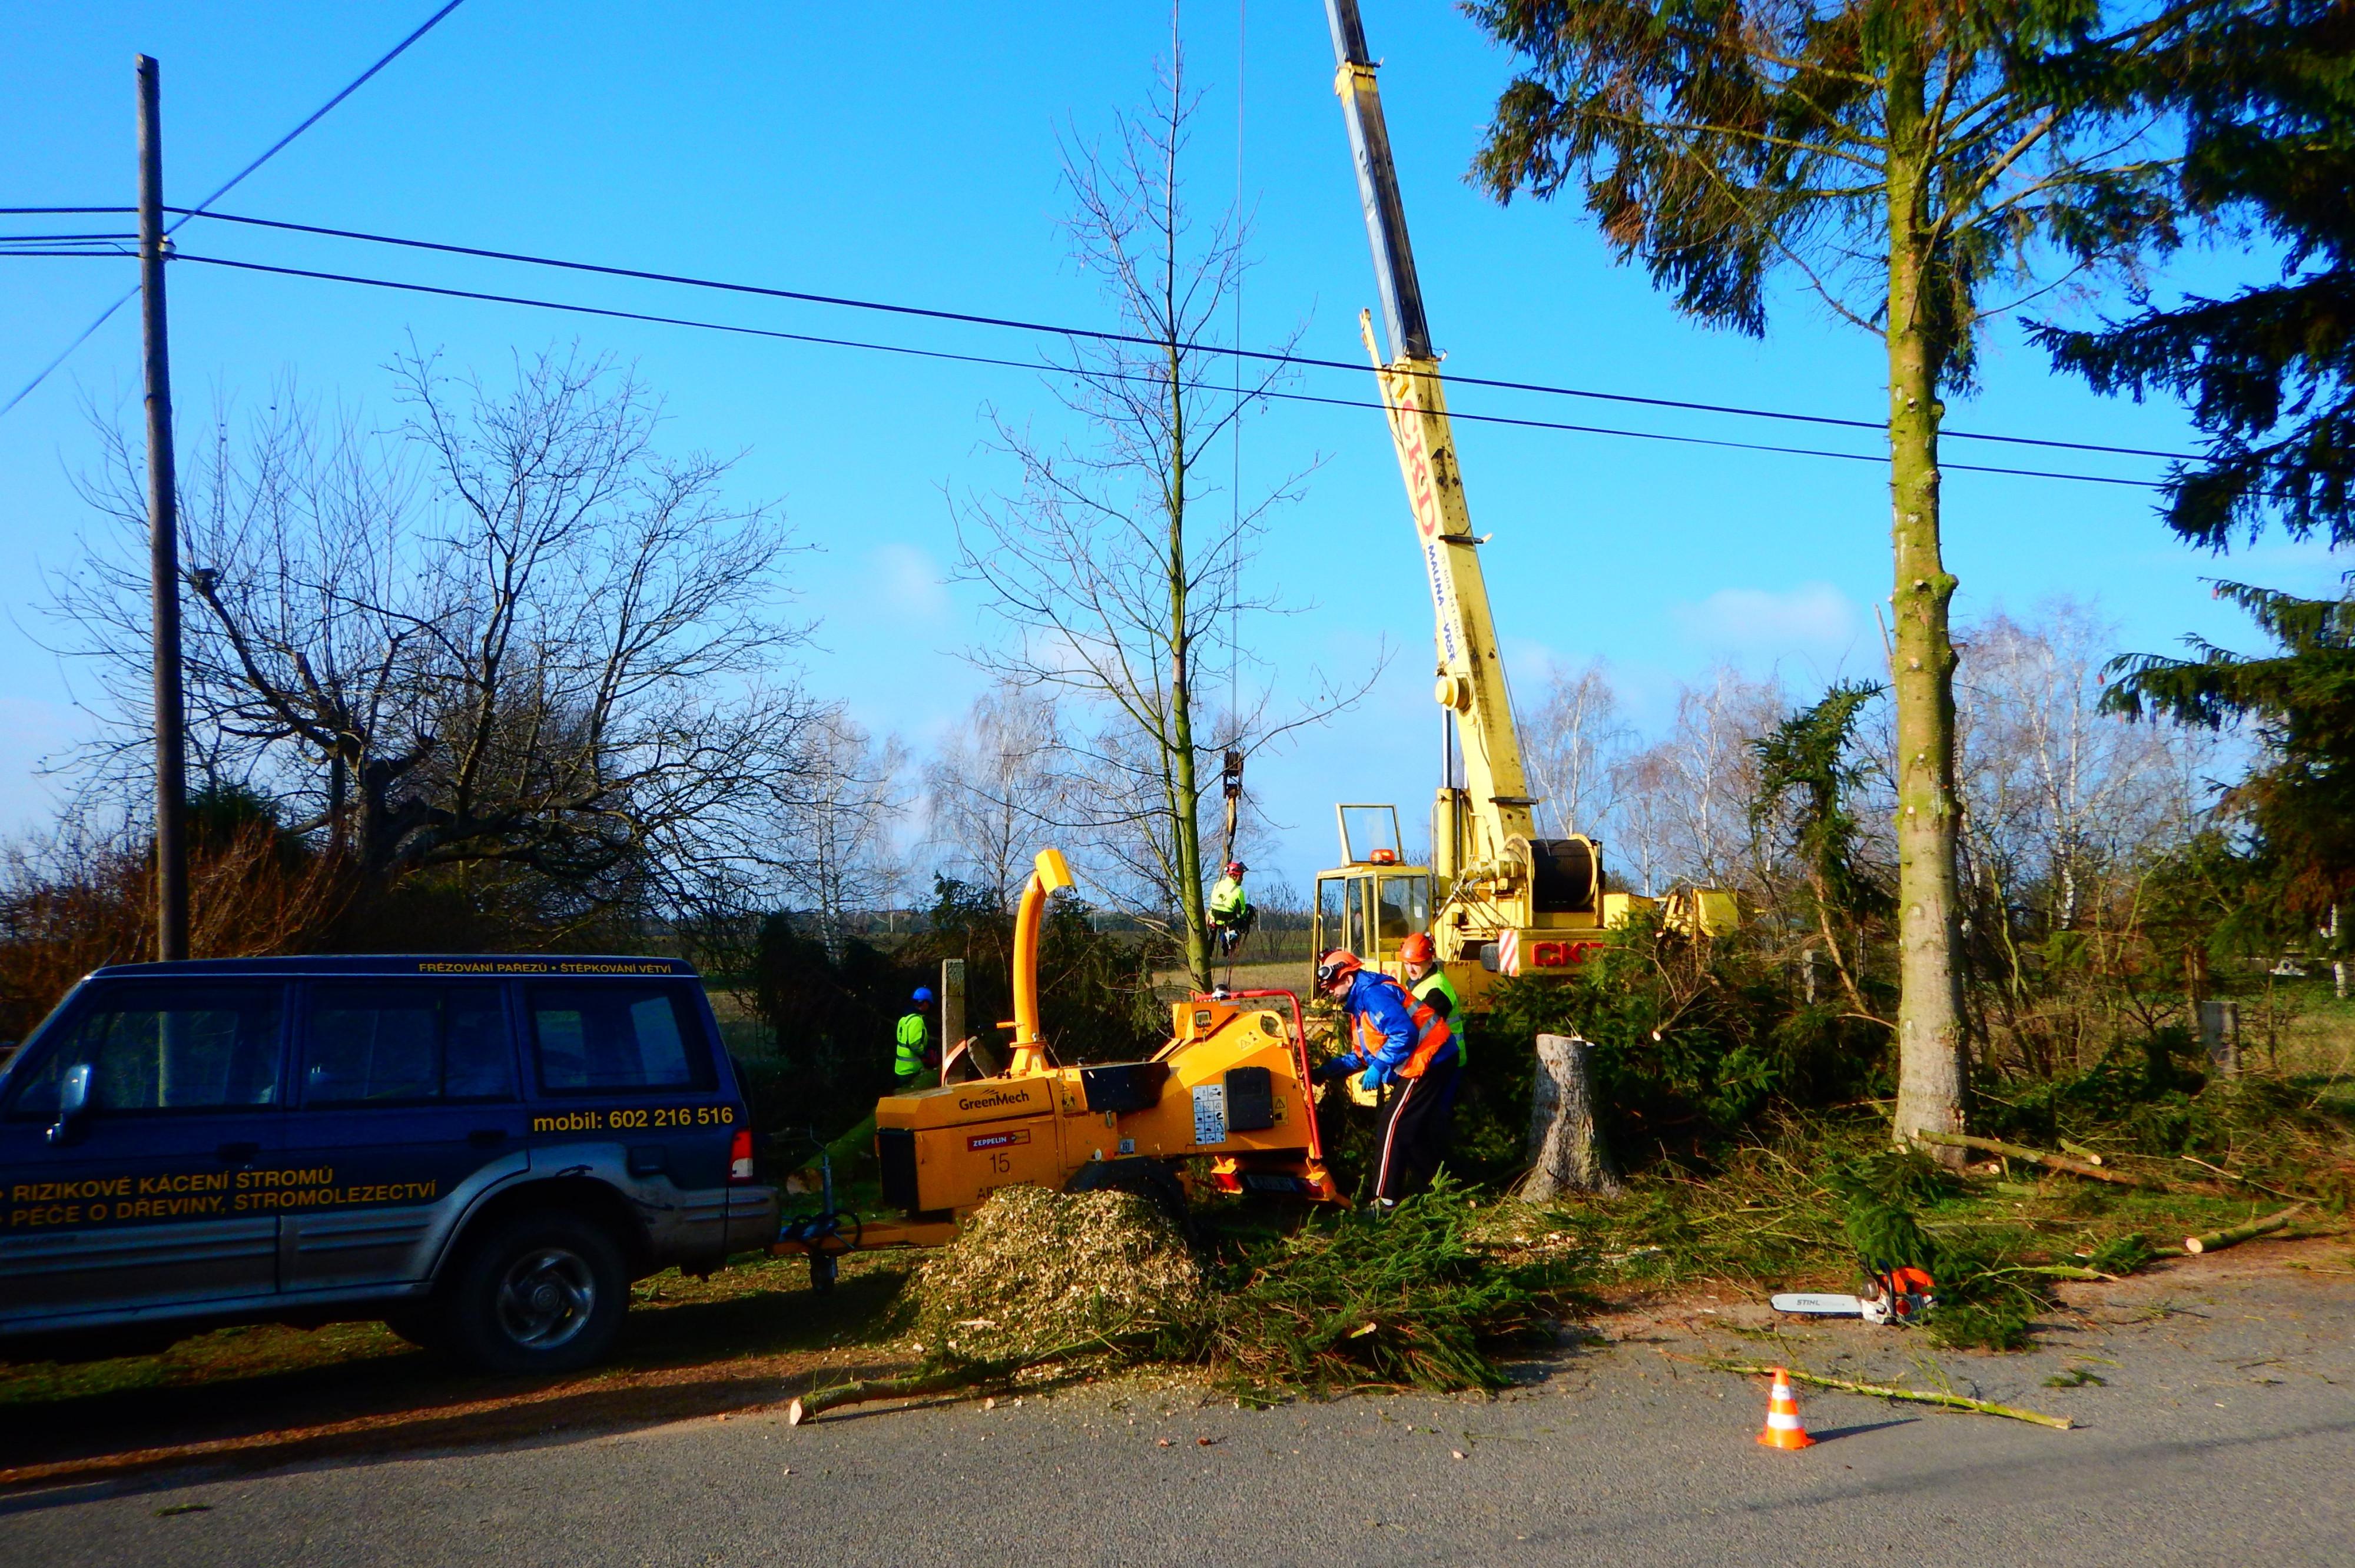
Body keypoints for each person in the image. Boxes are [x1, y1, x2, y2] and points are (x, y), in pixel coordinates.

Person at [1312, 948, 1458, 1207]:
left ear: (1348, 979)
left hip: (1430, 1058)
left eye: (1334, 985)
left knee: (1392, 1125)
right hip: (1427, 1057)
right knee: (1410, 1132)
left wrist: (1379, 1067)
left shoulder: (1373, 995)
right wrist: (1325, 1073)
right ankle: (1440, 1192)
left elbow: (1404, 1035)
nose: (1331, 992)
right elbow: (1362, 1054)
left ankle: (1384, 1200)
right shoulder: (1360, 1004)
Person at [1397, 932, 1465, 1069]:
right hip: (1434, 1058)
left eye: (1415, 964)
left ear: (1429, 962)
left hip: (1444, 1061)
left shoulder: (1437, 990)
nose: (1410, 969)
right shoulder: (1418, 983)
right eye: (1406, 963)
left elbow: (1423, 1030)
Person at [1208, 861, 1255, 956]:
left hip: (1214, 920)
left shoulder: (1217, 885)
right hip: (1229, 923)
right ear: (1234, 876)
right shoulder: (1238, 892)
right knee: (1243, 913)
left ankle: (1209, 944)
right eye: (1241, 877)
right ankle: (1230, 944)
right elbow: (1242, 913)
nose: (1242, 879)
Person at [894, 987, 935, 1089]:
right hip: (911, 1069)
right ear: (925, 1003)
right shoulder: (916, 1020)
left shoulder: (905, 1019)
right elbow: (914, 1044)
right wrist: (924, 1054)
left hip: (901, 1068)